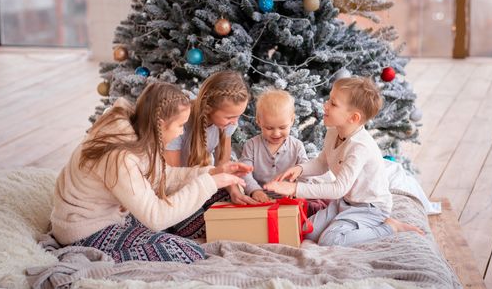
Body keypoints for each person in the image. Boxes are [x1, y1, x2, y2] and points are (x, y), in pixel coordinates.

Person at [50, 82, 252, 263]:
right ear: (162, 124)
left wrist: (212, 172)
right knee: (186, 251)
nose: (181, 132)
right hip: (86, 231)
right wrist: (208, 183)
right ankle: (90, 256)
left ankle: (161, 236)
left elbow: (164, 177)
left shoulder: (139, 135)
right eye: (180, 125)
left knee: (211, 203)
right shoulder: (120, 157)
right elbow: (156, 217)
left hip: (118, 215)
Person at [264, 77, 423, 246]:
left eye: (333, 103)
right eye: (329, 100)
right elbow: (322, 163)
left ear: (353, 118)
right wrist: (299, 169)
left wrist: (295, 188)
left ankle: (390, 227)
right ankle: (345, 222)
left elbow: (338, 189)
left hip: (370, 207)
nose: (325, 105)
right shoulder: (333, 132)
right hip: (346, 202)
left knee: (330, 240)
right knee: (306, 231)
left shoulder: (359, 147)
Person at [165, 70, 255, 205]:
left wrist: (234, 191)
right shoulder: (179, 123)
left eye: (239, 116)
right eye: (230, 117)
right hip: (172, 187)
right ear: (208, 108)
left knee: (230, 201)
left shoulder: (226, 125)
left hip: (201, 179)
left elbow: (222, 166)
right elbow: (173, 179)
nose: (235, 122)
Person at [239, 89, 330, 216]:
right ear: (259, 121)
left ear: (292, 120)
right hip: (260, 200)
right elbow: (244, 173)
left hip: (291, 199)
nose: (276, 133)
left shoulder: (297, 146)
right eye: (269, 128)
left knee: (314, 207)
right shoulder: (251, 145)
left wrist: (296, 191)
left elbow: (305, 173)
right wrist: (255, 191)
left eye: (282, 127)